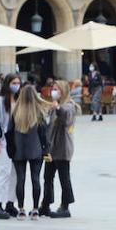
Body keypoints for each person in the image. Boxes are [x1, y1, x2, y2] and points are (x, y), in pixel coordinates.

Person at [10, 83, 50, 220]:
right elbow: (44, 134)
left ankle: (21, 209)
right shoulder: (39, 112)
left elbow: (9, 132)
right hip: (36, 149)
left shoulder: (16, 111)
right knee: (35, 179)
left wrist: (11, 149)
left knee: (20, 179)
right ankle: (35, 210)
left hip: (19, 150)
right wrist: (46, 150)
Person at [40, 80, 77, 218]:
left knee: (64, 177)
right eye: (53, 89)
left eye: (57, 89)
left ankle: (65, 206)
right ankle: (45, 204)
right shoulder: (54, 106)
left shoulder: (69, 106)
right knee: (47, 177)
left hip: (62, 147)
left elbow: (66, 120)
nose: (53, 91)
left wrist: (58, 109)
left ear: (63, 91)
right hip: (51, 148)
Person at [0, 75, 21, 219]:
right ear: (8, 84)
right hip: (4, 140)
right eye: (14, 83)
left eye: (18, 83)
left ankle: (10, 203)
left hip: (17, 140)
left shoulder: (19, 100)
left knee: (14, 173)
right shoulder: (0, 101)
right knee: (4, 171)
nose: (16, 85)